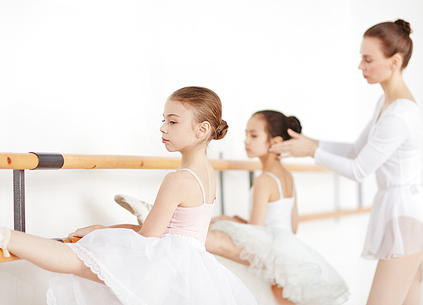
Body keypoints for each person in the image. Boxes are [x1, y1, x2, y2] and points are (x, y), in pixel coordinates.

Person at [0, 86, 258, 305]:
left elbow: (148, 237)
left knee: (77, 256)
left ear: (202, 129)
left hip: (166, 265)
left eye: (173, 121)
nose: (163, 128)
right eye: (163, 120)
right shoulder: (208, 174)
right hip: (189, 267)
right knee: (83, 258)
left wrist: (104, 231)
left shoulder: (178, 179)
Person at [269, 19, 423, 305]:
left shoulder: (400, 113)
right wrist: (310, 143)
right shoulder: (386, 105)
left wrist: (312, 152)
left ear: (395, 61)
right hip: (403, 215)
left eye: (368, 59)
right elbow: (355, 150)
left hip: (406, 218)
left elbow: (359, 169)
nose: (360, 65)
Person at [116, 110, 350, 305]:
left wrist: (230, 221)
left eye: (253, 135)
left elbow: (256, 233)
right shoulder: (286, 177)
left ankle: (157, 214)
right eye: (247, 134)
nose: (246, 140)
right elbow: (293, 224)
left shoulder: (263, 180)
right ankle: (162, 215)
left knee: (197, 237)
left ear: (275, 143)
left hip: (270, 248)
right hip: (289, 248)